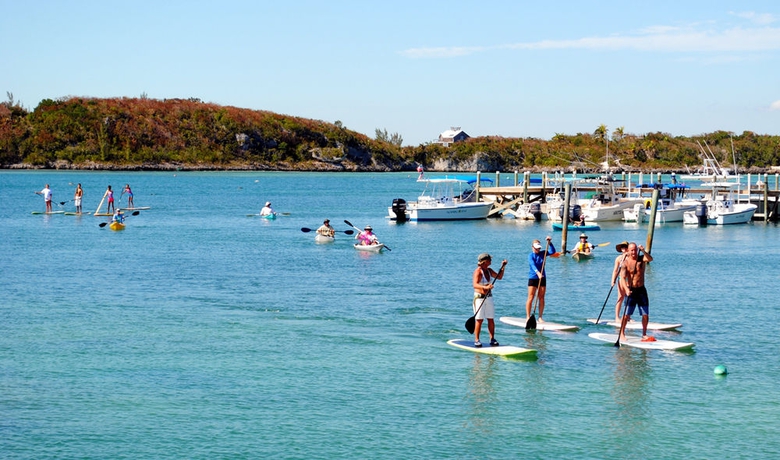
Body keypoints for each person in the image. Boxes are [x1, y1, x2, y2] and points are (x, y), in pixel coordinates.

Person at [617, 242, 655, 342]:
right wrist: (626, 289)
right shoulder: (625, 263)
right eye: (632, 250)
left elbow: (650, 259)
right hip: (631, 291)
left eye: (635, 250)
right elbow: (622, 278)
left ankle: (644, 334)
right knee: (626, 315)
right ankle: (622, 333)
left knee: (645, 314)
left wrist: (643, 250)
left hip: (642, 290)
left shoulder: (642, 259)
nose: (634, 252)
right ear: (628, 251)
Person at [472, 253, 507, 347]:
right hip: (479, 298)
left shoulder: (489, 270)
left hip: (489, 297)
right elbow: (475, 285)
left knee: (491, 319)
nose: (491, 261)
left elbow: (499, 277)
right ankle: (477, 340)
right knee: (479, 320)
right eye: (489, 260)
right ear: (485, 262)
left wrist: (503, 267)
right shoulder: (478, 272)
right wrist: (485, 287)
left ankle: (492, 339)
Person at [526, 236, 555, 323]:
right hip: (533, 277)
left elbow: (553, 251)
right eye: (536, 249)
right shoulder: (530, 255)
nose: (538, 250)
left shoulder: (543, 253)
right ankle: (528, 316)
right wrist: (538, 273)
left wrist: (550, 243)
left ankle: (540, 317)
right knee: (531, 297)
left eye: (539, 248)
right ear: (532, 247)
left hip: (542, 278)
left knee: (541, 297)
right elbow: (532, 265)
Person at [612, 241, 629, 322]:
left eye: (626, 247)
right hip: (621, 279)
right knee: (620, 297)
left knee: (629, 298)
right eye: (623, 247)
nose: (624, 249)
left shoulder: (632, 257)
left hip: (630, 280)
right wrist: (613, 280)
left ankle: (627, 317)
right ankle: (617, 317)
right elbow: (615, 270)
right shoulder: (619, 258)